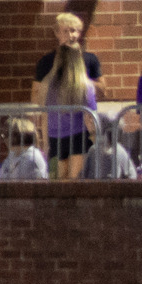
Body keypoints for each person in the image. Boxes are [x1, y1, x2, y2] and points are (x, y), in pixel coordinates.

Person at [32, 13, 104, 179]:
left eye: (74, 31)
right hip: (77, 135)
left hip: (55, 136)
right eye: (66, 30)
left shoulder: (50, 83)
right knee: (75, 180)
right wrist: (95, 137)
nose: (71, 35)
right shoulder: (46, 64)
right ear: (57, 33)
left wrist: (45, 142)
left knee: (58, 181)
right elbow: (89, 116)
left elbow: (44, 111)